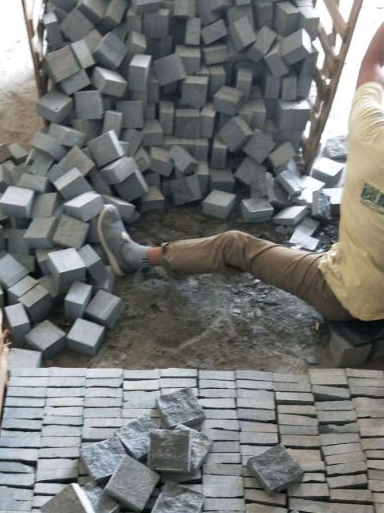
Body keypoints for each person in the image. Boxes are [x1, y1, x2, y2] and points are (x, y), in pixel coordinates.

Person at [98, 23, 384, 324]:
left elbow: (373, 63)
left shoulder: (370, 136)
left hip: (344, 296)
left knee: (235, 245)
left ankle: (133, 257)